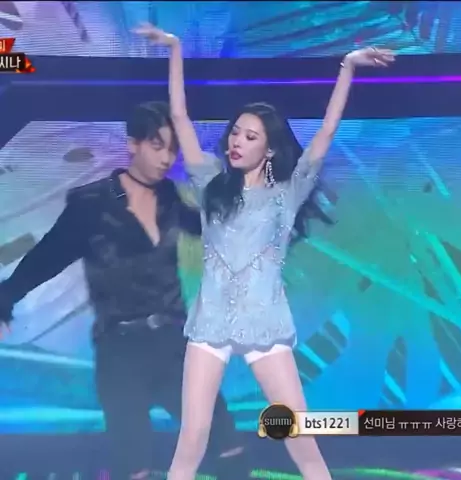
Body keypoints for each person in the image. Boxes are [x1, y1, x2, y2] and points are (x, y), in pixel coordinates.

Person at [135, 24, 395, 480]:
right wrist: (175, 48)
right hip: (211, 326)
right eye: (236, 133)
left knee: (301, 440)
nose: (237, 141)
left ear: (271, 149)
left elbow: (327, 130)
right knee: (192, 440)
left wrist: (348, 67)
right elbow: (179, 115)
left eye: (250, 137)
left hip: (265, 326)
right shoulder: (211, 181)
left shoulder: (287, 194)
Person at [0, 101, 246, 480]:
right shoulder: (92, 203)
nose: (166, 158)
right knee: (134, 465)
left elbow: (211, 225)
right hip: (121, 351)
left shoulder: (169, 196)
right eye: (157, 146)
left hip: (174, 346)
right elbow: (48, 256)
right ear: (133, 143)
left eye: (172, 149)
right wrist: (5, 298)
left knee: (227, 444)